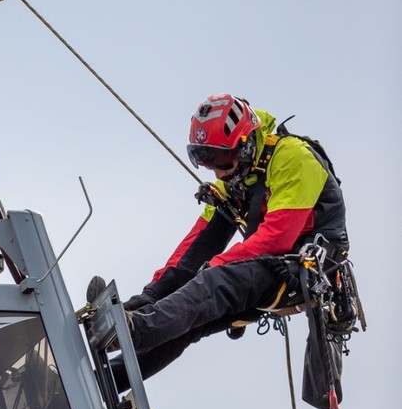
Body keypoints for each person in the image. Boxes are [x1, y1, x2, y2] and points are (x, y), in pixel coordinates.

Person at [114, 93, 348, 384]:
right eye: (204, 157)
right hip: (262, 262)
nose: (216, 169)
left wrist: (215, 269)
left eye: (221, 157)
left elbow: (278, 238)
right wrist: (151, 294)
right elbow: (196, 244)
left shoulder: (293, 158)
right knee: (190, 318)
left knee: (213, 282)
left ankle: (136, 330)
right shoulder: (237, 177)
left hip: (299, 266)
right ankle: (112, 377)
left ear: (246, 144)